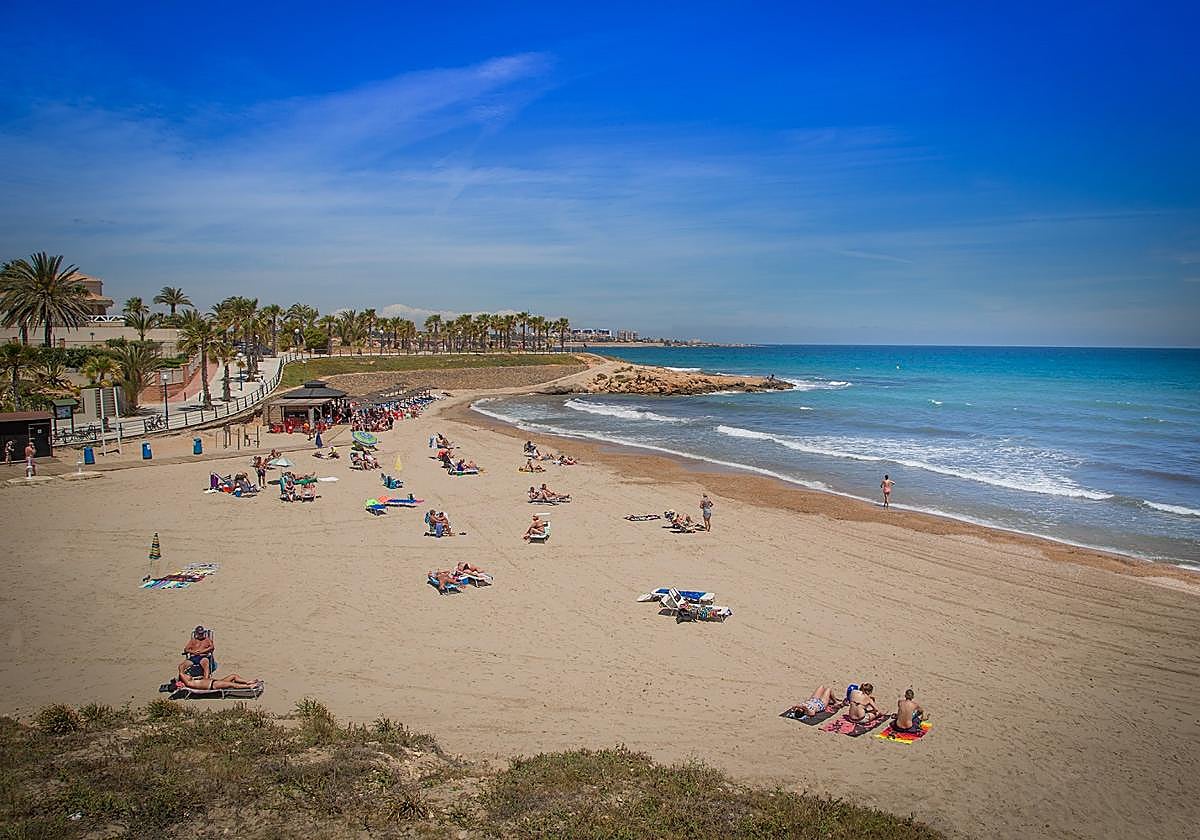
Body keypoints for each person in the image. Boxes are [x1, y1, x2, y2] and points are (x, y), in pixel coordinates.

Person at [175, 660, 260, 691]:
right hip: (213, 685)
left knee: (233, 676)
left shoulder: (192, 681)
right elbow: (181, 671)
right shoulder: (189, 683)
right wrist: (181, 673)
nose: (188, 674)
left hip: (215, 682)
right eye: (186, 675)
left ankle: (248, 681)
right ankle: (249, 687)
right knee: (232, 684)